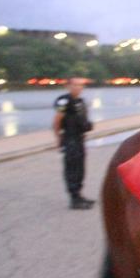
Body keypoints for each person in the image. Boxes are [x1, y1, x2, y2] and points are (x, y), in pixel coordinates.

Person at [53, 77, 95, 209]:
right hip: (70, 138)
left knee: (80, 168)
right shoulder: (64, 101)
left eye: (81, 85)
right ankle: (74, 198)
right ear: (68, 86)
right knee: (72, 168)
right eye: (75, 85)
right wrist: (58, 137)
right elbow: (57, 120)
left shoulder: (80, 101)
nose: (78, 88)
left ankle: (79, 195)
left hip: (79, 138)